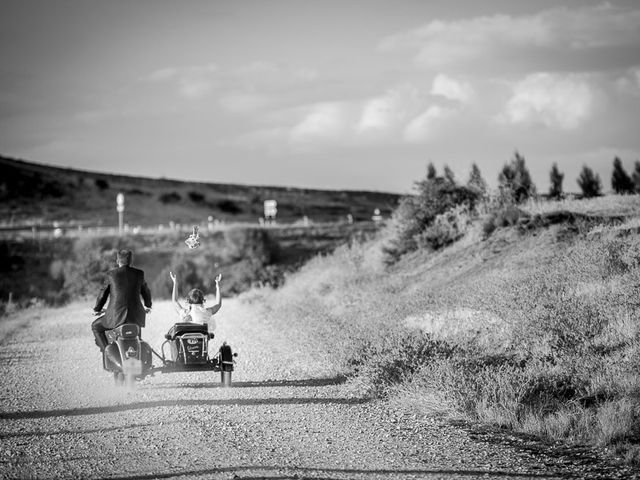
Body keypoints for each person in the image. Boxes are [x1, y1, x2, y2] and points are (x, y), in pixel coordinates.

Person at [91, 250, 152, 352]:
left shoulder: (111, 274)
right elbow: (145, 291)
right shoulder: (139, 273)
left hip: (115, 316)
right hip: (135, 316)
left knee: (96, 327)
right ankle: (139, 355)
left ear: (117, 260)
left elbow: (103, 294)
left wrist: (97, 309)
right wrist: (148, 305)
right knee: (137, 335)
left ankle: (107, 351)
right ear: (131, 261)